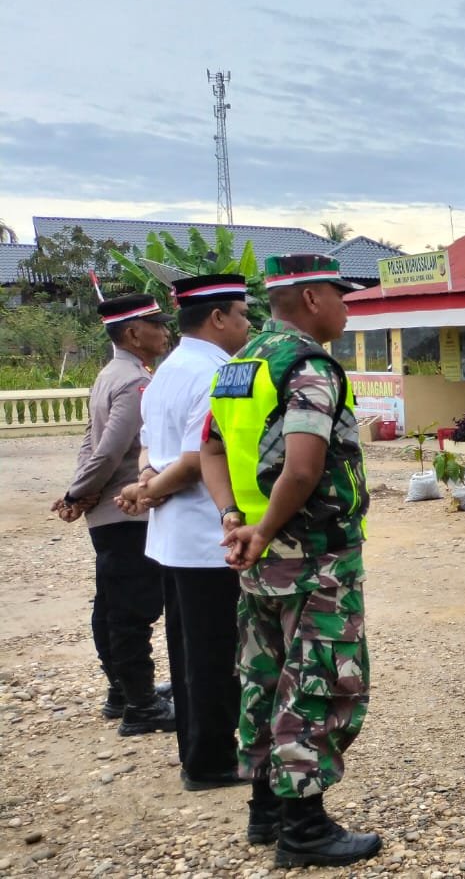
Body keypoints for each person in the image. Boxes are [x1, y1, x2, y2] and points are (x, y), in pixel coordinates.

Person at [200, 254, 381, 867]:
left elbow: (211, 451)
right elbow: (304, 468)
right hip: (312, 555)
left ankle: (265, 809)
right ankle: (304, 826)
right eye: (340, 294)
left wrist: (235, 521)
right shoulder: (307, 366)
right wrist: (267, 527)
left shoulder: (241, 364)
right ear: (310, 299)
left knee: (264, 676)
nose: (346, 306)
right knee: (318, 679)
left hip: (256, 553)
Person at [117, 274, 253, 791]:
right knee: (216, 654)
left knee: (188, 649)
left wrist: (146, 483)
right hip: (206, 533)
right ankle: (212, 760)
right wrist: (150, 489)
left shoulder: (169, 368)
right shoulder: (217, 372)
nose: (247, 324)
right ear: (217, 318)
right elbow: (200, 457)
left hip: (175, 535)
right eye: (241, 314)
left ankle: (197, 753)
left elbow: (154, 447)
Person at [52, 293, 177, 736]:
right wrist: (79, 491)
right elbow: (111, 450)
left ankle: (122, 692)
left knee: (110, 605)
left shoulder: (111, 374)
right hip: (128, 511)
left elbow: (91, 443)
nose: (164, 331)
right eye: (156, 324)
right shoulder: (135, 382)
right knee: (132, 611)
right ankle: (141, 705)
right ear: (132, 333)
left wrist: (80, 493)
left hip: (105, 511)